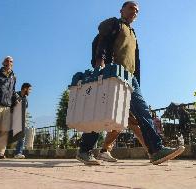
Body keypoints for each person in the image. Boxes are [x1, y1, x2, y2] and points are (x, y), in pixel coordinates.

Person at [76, 1, 185, 165]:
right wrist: (100, 64)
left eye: (137, 11)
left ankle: (156, 150)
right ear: (122, 10)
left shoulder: (133, 32)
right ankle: (84, 150)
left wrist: (137, 81)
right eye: (131, 8)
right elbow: (103, 41)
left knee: (142, 112)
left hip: (130, 78)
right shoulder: (115, 24)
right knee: (102, 112)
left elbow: (134, 60)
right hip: (113, 74)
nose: (135, 12)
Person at [13, 83, 32, 159]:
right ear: (25, 89)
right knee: (6, 135)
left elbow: (24, 110)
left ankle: (18, 153)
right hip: (11, 118)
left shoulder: (26, 99)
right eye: (29, 89)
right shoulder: (15, 95)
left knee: (22, 136)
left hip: (20, 119)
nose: (30, 91)